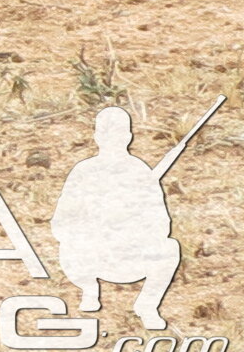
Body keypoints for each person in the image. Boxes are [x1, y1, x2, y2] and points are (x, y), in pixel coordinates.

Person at [55, 105, 184, 331]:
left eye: (117, 134)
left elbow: (161, 224)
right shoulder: (83, 172)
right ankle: (90, 289)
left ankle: (147, 305)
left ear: (128, 137)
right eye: (106, 134)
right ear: (96, 136)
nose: (111, 140)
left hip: (129, 256)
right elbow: (60, 223)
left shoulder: (140, 172)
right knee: (69, 246)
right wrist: (94, 228)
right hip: (90, 257)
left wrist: (131, 227)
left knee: (169, 248)